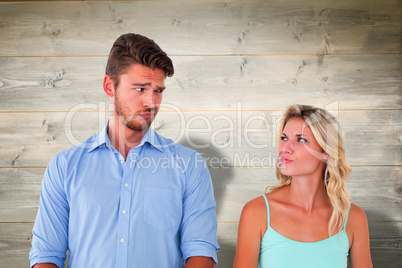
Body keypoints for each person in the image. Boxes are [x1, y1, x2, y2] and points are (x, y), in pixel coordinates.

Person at [29, 33, 219, 268]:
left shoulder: (189, 166)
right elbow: (46, 255)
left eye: (158, 90)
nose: (151, 101)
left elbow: (200, 250)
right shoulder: (64, 167)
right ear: (110, 86)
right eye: (140, 89)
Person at [233, 104, 372, 268]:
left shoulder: (353, 218)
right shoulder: (256, 212)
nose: (285, 148)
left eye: (301, 140)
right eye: (284, 138)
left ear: (326, 152)